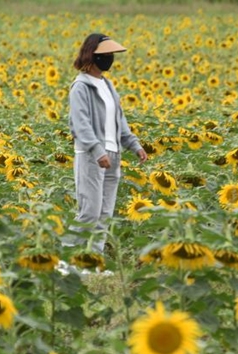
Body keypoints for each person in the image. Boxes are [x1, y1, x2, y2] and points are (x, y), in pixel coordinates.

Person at [66, 33, 148, 255]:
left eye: (111, 54)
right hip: (91, 155)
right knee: (89, 212)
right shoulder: (80, 87)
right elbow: (80, 124)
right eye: (105, 54)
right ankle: (66, 257)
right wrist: (96, 150)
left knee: (104, 213)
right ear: (91, 55)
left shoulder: (108, 86)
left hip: (113, 154)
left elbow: (119, 120)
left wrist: (134, 144)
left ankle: (93, 261)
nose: (109, 58)